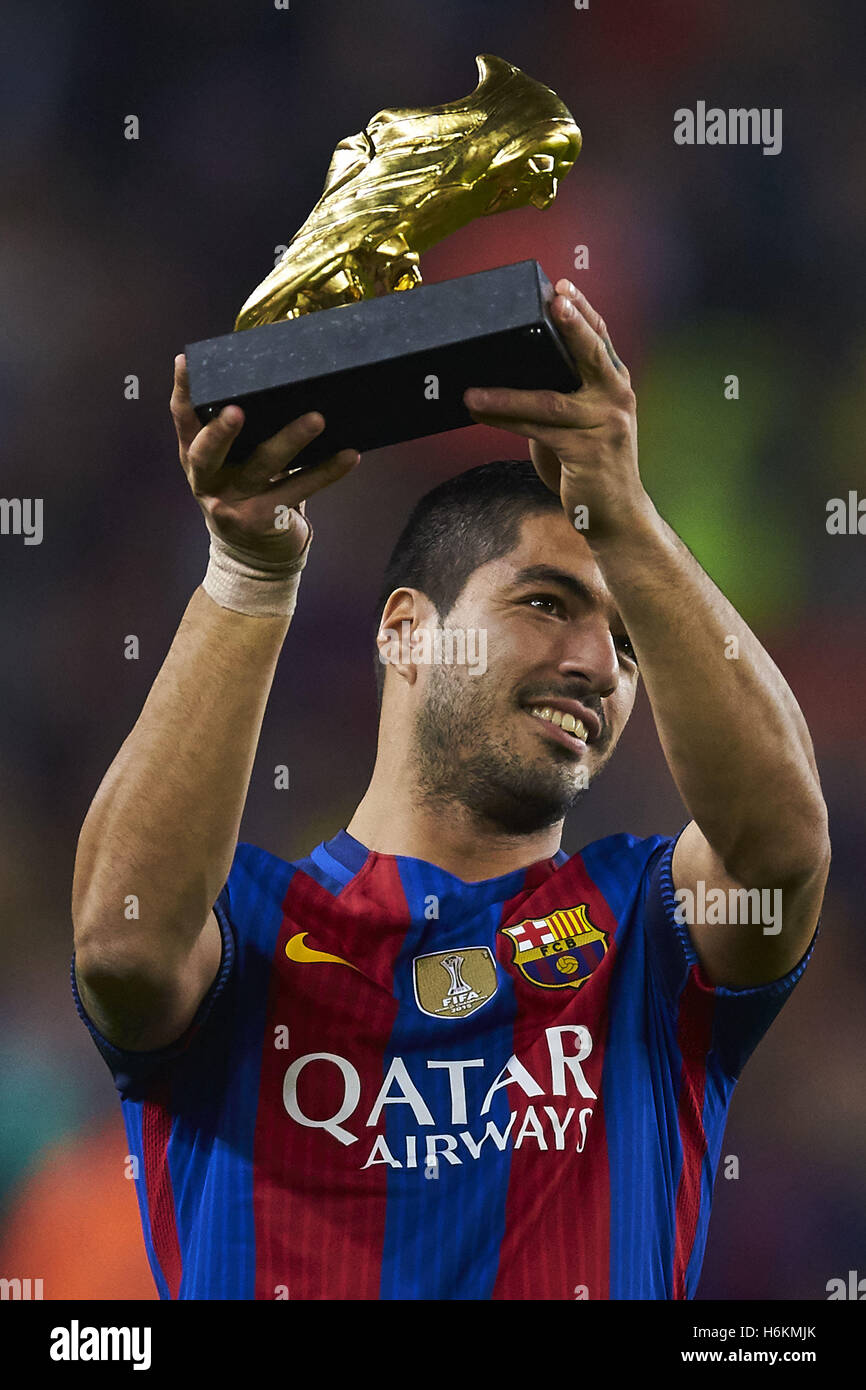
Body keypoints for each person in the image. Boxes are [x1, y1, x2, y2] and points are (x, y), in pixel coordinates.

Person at [71, 281, 829, 1300]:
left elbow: (780, 851)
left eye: (624, 641)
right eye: (545, 603)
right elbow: (120, 944)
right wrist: (248, 575)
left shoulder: (643, 936)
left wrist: (626, 516)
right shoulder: (252, 929)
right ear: (404, 632)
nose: (596, 664)